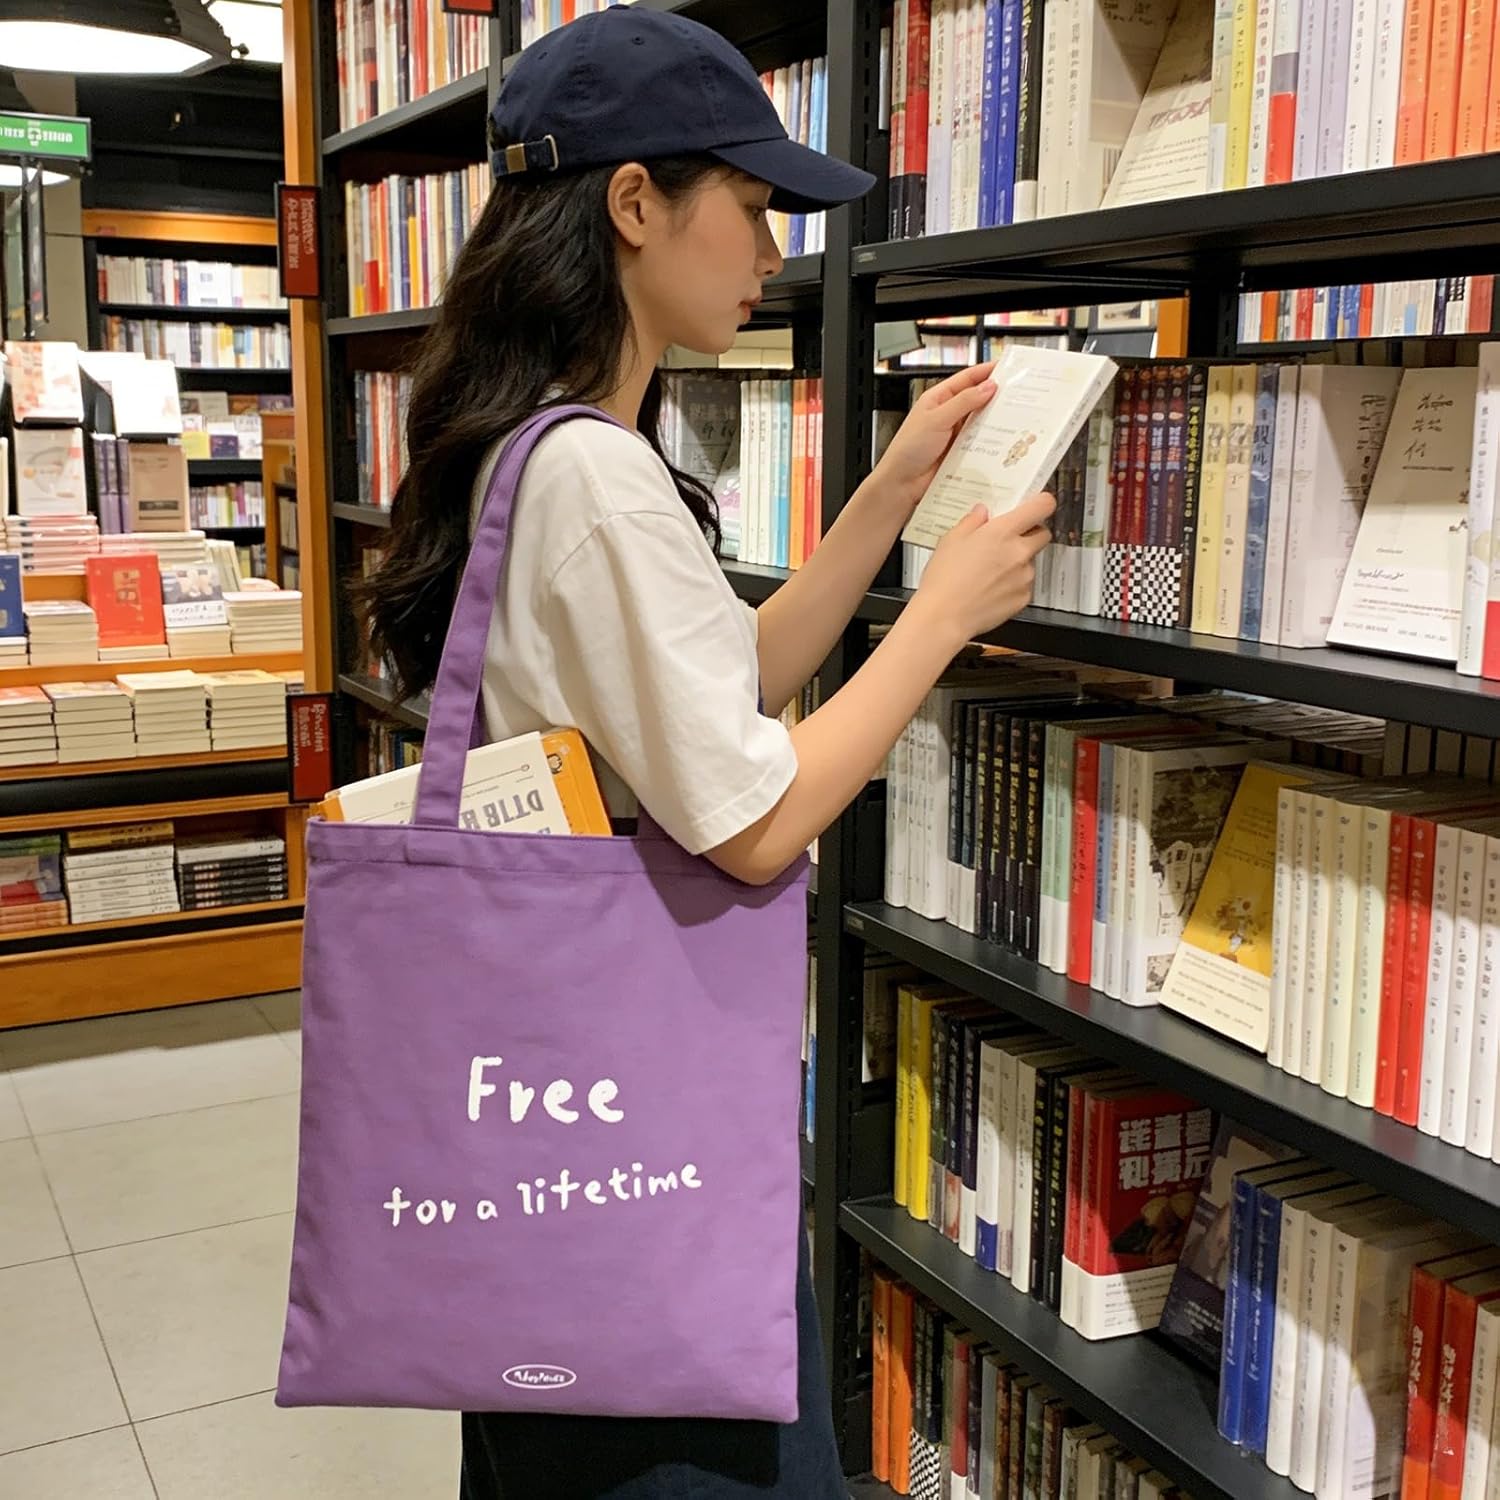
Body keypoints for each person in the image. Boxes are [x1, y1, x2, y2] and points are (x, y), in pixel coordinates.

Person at [356, 9, 1054, 1497]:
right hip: (639, 1165)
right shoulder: (599, 476)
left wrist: (883, 504)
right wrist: (934, 623)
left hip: (554, 1146)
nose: (770, 251)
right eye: (748, 207)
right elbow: (751, 818)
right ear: (632, 205)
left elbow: (709, 693)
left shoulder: (531, 443)